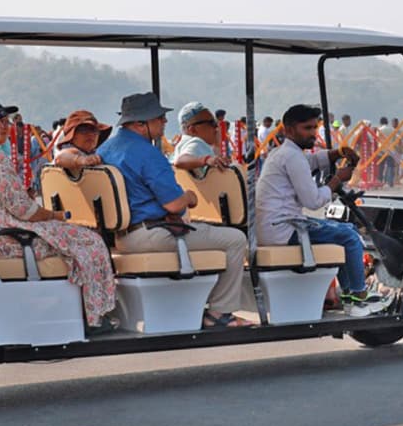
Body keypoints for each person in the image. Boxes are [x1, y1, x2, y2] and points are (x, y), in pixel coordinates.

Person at [0, 95, 118, 331]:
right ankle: (96, 316)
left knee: (76, 238)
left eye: (5, 120)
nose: (4, 125)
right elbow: (24, 210)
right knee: (91, 240)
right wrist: (55, 216)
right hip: (6, 238)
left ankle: (82, 306)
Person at [98, 92, 252, 329]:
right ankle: (220, 312)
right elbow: (173, 204)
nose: (164, 122)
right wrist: (190, 197)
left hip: (122, 237)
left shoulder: (106, 148)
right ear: (141, 124)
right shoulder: (148, 154)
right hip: (151, 235)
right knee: (235, 239)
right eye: (159, 118)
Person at [255, 103, 389, 317]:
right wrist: (337, 179)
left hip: (278, 226)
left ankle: (349, 295)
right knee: (349, 236)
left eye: (314, 128)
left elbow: (313, 160)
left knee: (345, 230)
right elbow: (314, 201)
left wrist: (337, 153)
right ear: (289, 130)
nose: (313, 134)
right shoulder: (291, 157)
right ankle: (358, 296)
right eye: (306, 129)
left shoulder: (283, 153)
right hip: (284, 230)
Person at [171, 102, 229, 178]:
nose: (216, 127)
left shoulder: (186, 143)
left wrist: (217, 145)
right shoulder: (196, 142)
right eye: (212, 123)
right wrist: (207, 160)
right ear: (192, 129)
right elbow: (180, 161)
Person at [51, 110, 113, 178]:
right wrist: (82, 160)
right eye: (83, 130)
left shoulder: (95, 153)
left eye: (94, 130)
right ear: (72, 136)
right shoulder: (73, 151)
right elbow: (59, 158)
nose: (90, 134)